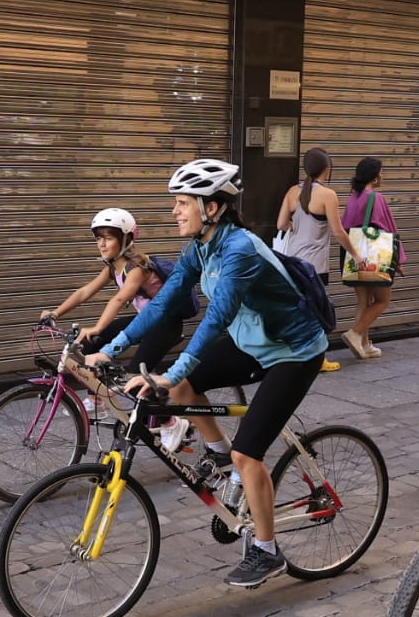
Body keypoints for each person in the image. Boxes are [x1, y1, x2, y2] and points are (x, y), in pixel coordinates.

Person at [86, 158, 328, 588]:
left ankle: (267, 550)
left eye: (183, 203)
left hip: (292, 351)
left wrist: (167, 373)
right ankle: (217, 453)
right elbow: (161, 306)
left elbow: (215, 319)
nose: (175, 211)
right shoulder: (199, 248)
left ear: (212, 208)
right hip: (252, 340)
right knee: (183, 387)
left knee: (248, 454)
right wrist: (110, 349)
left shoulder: (240, 250)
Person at [41, 208, 193, 450]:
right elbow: (85, 292)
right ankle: (98, 398)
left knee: (134, 380)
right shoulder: (113, 267)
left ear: (126, 239)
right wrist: (55, 312)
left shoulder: (138, 268)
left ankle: (171, 423)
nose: (102, 243)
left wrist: (97, 326)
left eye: (108, 237)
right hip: (146, 320)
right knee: (89, 343)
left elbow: (119, 300)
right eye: (98, 238)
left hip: (166, 325)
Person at [275, 147, 373, 372]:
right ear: (326, 169)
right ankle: (319, 359)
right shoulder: (327, 195)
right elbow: (338, 232)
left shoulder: (292, 192)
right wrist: (356, 255)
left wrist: (297, 227)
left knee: (297, 308)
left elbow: (281, 224)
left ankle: (295, 354)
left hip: (290, 260)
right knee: (317, 310)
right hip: (314, 265)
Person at [339, 157, 403, 360]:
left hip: (354, 255)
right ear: (375, 178)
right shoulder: (376, 198)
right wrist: (398, 260)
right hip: (375, 257)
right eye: (381, 172)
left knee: (363, 301)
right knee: (382, 300)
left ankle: (364, 345)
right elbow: (388, 231)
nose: (382, 176)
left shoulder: (353, 197)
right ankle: (355, 333)